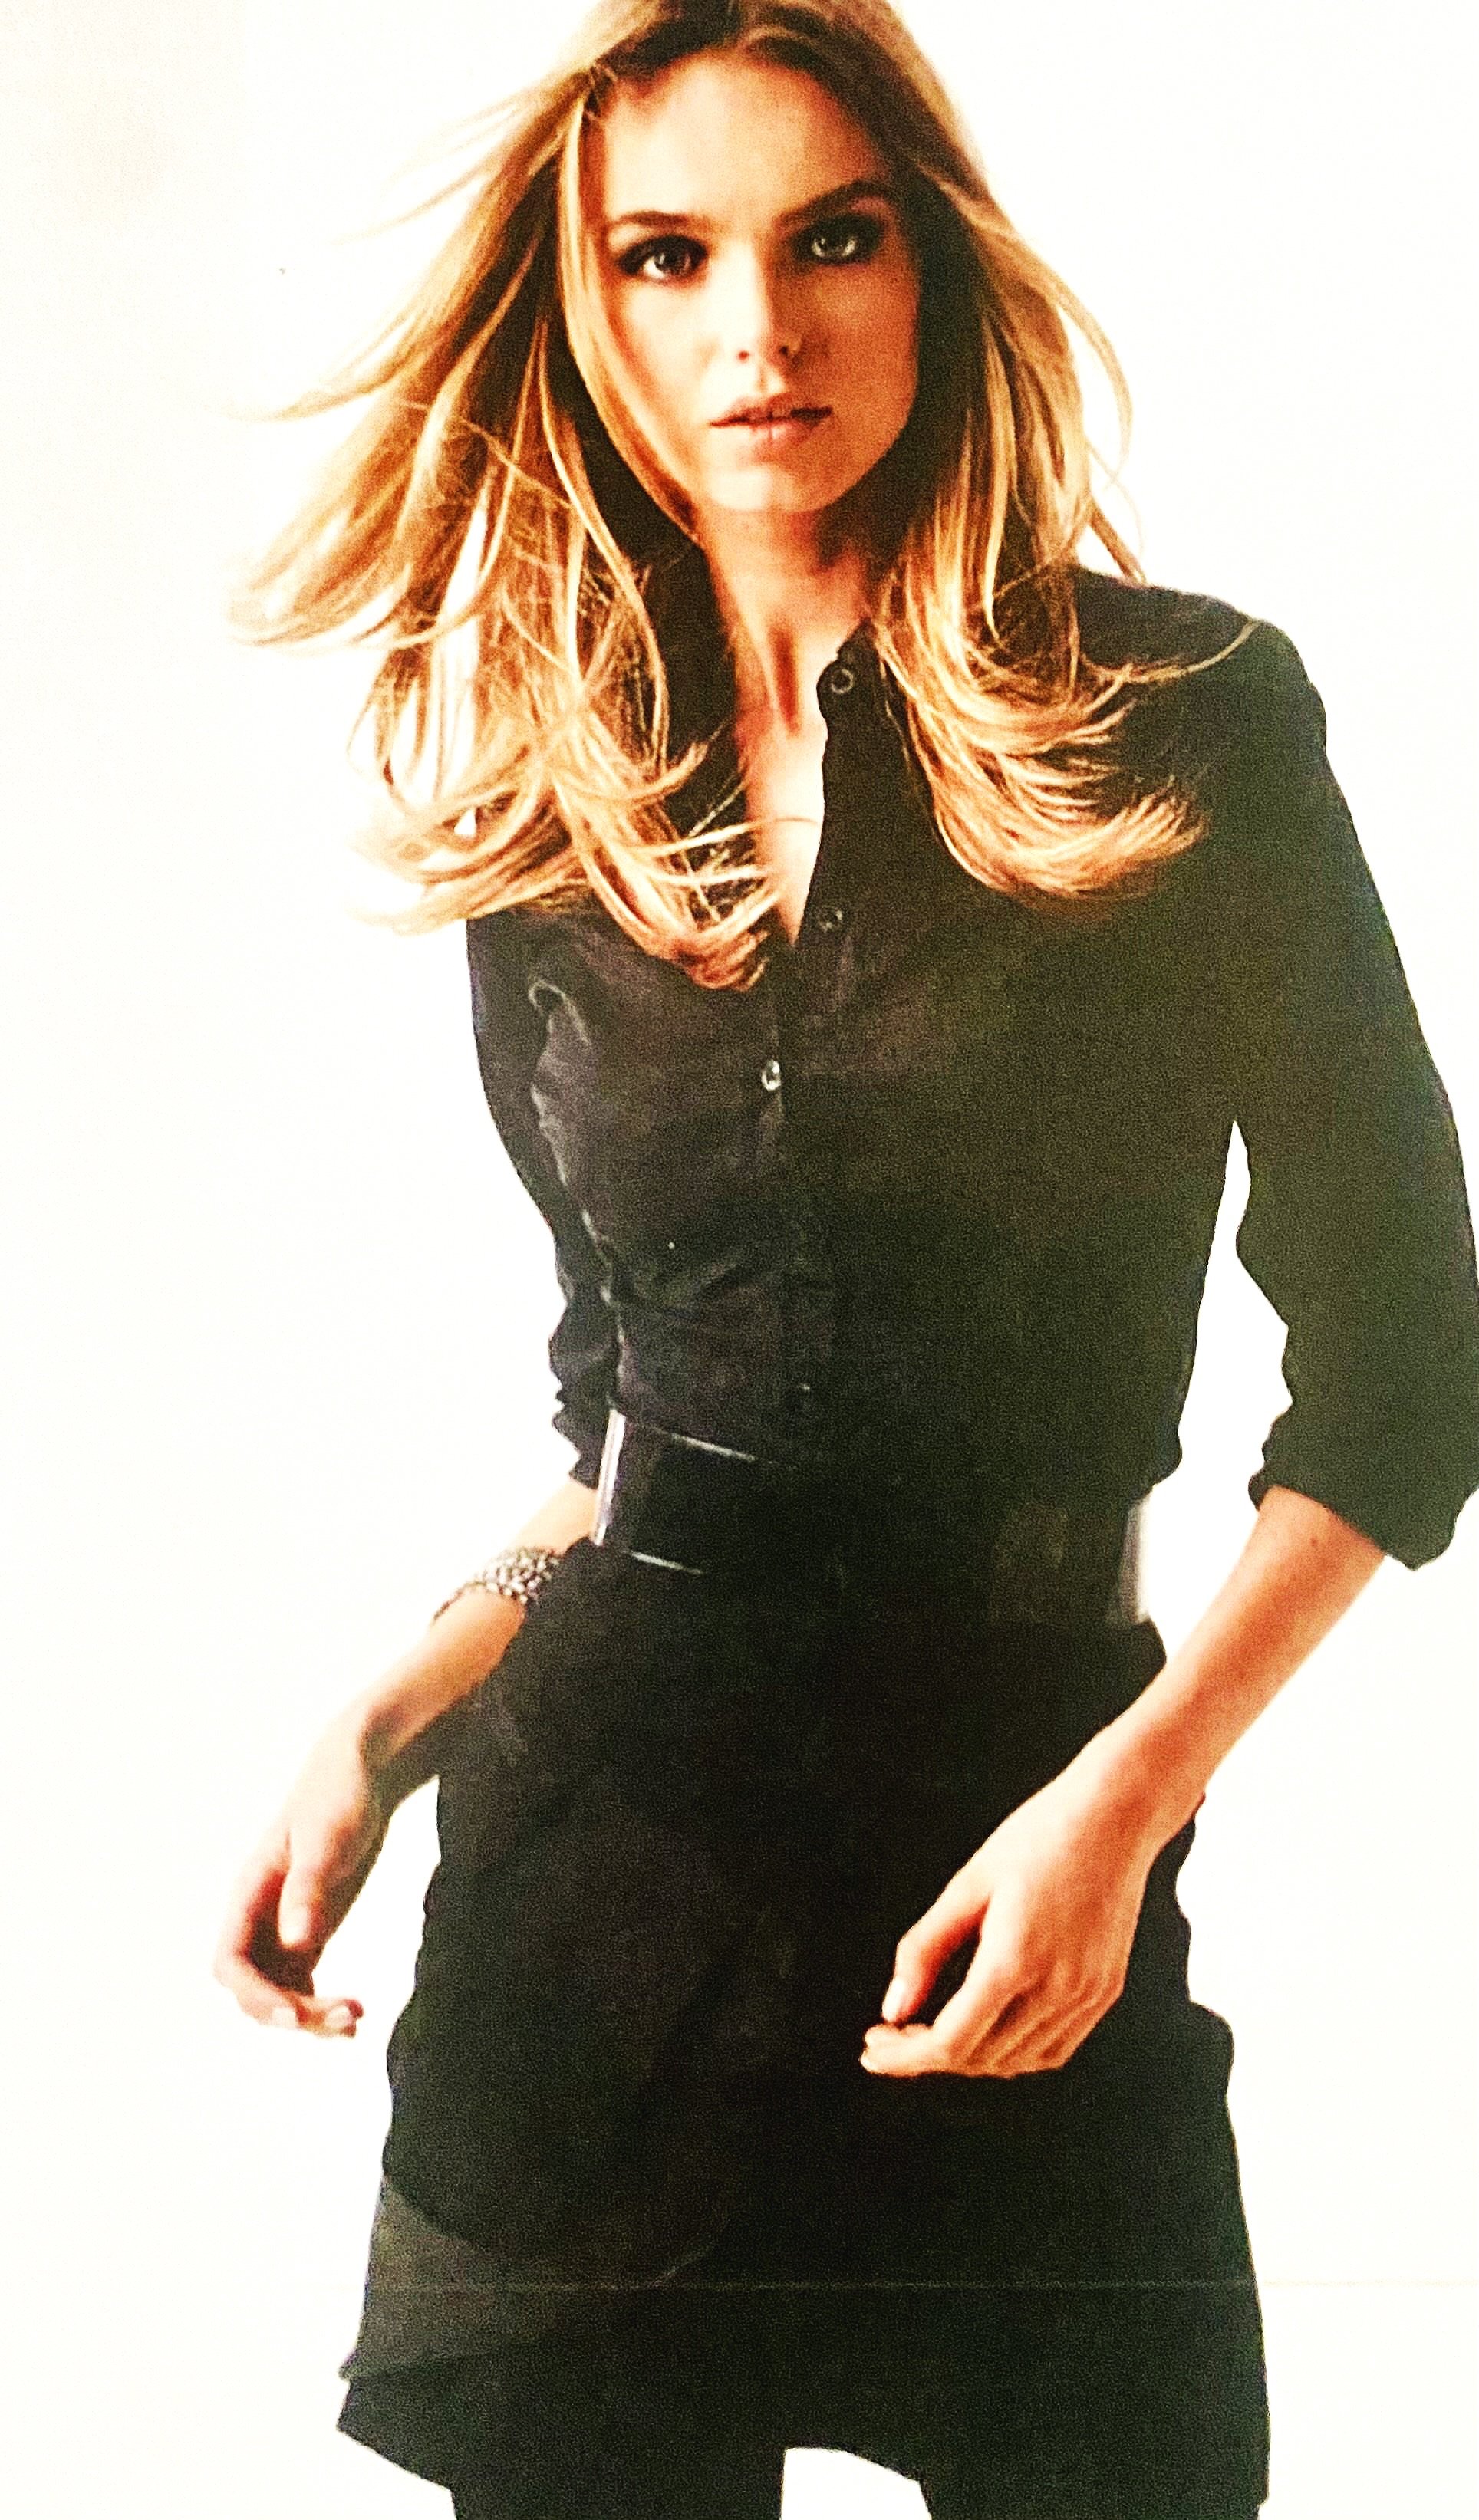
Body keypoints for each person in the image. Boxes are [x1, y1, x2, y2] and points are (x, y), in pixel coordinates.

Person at [212, 3, 1479, 2514]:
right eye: (668, 257)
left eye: (833, 240)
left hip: (1021, 1878)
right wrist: (395, 1706)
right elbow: (625, 1402)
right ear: (590, 307)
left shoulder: (1182, 725)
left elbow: (1413, 1354)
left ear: (936, 266)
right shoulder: (561, 794)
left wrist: (1129, 1804)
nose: (758, 331)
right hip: (602, 1902)